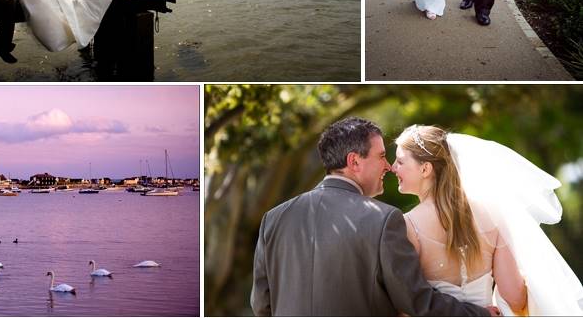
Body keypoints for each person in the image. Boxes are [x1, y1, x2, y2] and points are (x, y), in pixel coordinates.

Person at [250, 117, 491, 316]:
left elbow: (261, 305)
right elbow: (416, 301)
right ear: (354, 162)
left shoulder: (273, 219)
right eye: (381, 156)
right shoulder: (384, 220)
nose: (388, 166)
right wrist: (480, 314)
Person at [394, 125, 583, 315]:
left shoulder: (408, 225)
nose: (393, 167)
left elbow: (408, 301)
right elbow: (515, 298)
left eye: (400, 162)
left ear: (426, 168)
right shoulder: (491, 214)